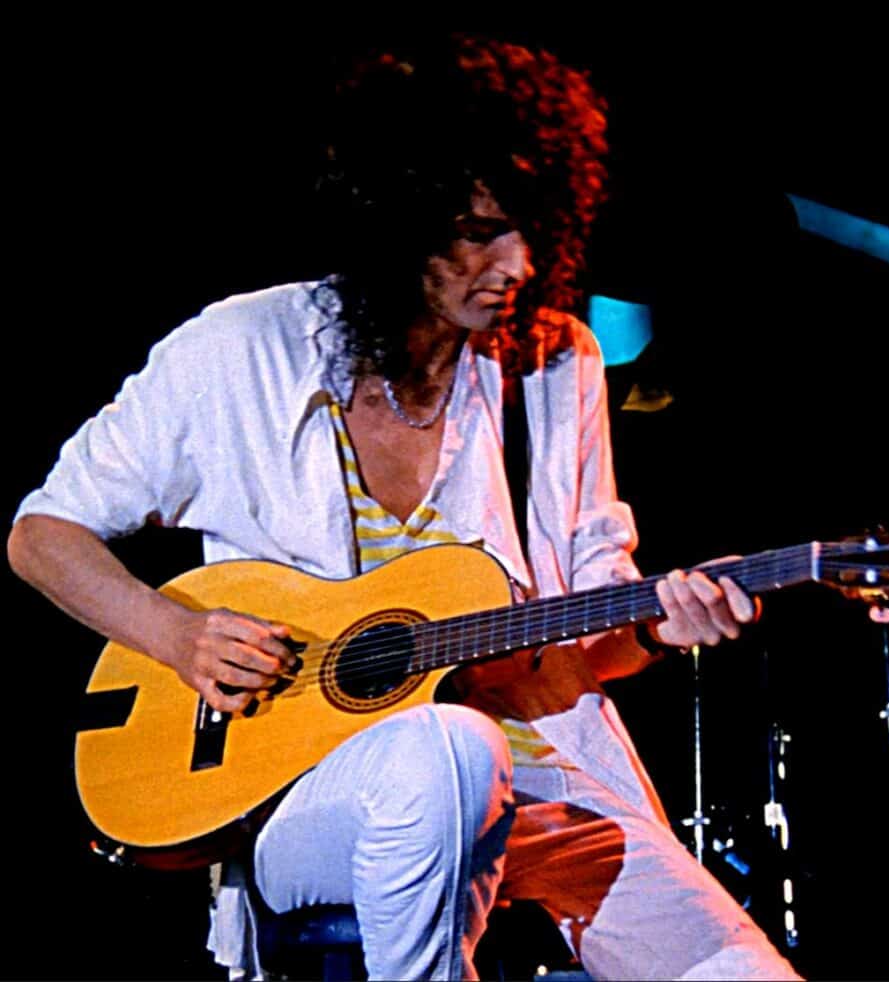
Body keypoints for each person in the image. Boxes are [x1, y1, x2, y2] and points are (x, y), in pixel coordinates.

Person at [7, 34, 800, 981]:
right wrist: (178, 636)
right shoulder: (238, 350)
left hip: (546, 778)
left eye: (532, 229)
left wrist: (667, 628)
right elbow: (42, 535)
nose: (516, 263)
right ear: (396, 217)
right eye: (478, 230)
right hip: (305, 798)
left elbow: (590, 641)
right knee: (447, 749)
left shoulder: (553, 365)